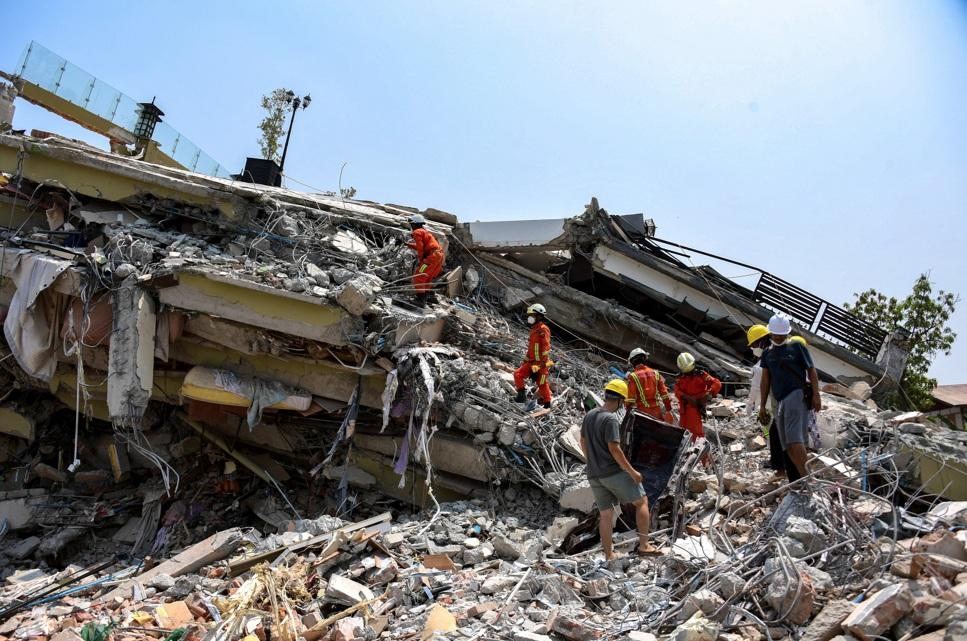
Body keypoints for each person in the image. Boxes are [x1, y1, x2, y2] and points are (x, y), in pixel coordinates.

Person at [580, 379, 659, 560]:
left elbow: (582, 442)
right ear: (621, 400)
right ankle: (645, 545)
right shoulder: (610, 419)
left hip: (594, 474)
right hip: (612, 473)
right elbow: (615, 449)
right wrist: (633, 473)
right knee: (642, 502)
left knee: (606, 514)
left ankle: (609, 554)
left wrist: (592, 461)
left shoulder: (590, 415)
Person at [757, 315, 822, 482]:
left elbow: (812, 371)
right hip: (779, 401)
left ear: (787, 333)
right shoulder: (767, 353)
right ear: (770, 333)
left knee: (794, 440)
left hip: (796, 395)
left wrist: (816, 395)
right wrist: (762, 406)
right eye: (775, 335)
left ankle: (808, 479)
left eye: (782, 335)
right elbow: (765, 380)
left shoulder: (797, 347)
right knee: (786, 444)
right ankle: (800, 479)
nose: (778, 338)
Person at [746, 324, 788, 477]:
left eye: (754, 345)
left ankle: (778, 463)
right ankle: (780, 461)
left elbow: (755, 389)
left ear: (761, 342)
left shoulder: (759, 367)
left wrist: (750, 405)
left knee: (771, 434)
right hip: (782, 403)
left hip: (768, 406)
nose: (752, 349)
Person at [673, 352, 722, 441]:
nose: (688, 374)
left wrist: (708, 394)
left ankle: (702, 453)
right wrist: (686, 397)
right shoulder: (679, 378)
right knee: (683, 433)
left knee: (696, 434)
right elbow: (676, 391)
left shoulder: (701, 375)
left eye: (690, 371)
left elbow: (717, 383)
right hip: (684, 409)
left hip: (695, 408)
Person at [513, 304, 553, 408]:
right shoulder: (534, 330)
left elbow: (546, 349)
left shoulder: (543, 329)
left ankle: (547, 404)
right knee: (517, 374)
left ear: (539, 316)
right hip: (531, 362)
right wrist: (525, 362)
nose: (529, 317)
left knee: (542, 383)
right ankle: (521, 396)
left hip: (541, 365)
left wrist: (539, 367)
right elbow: (531, 349)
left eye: (532, 315)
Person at [625, 348, 675, 423]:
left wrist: (628, 412)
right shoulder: (656, 373)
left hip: (642, 413)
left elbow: (630, 400)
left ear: (632, 362)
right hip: (657, 412)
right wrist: (668, 409)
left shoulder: (633, 376)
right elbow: (665, 395)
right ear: (645, 359)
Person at [789, 335, 822, 451]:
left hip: (805, 398)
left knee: (810, 424)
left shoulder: (803, 364)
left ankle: (816, 447)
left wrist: (815, 396)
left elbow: (811, 380)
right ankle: (809, 447)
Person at [406, 214, 445, 307]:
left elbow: (420, 248)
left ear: (414, 224)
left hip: (431, 257)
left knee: (419, 276)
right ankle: (427, 297)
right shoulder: (424, 232)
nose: (411, 227)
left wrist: (420, 260)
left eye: (411, 224)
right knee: (427, 278)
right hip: (438, 256)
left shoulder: (417, 232)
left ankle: (420, 300)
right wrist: (408, 244)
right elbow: (424, 246)